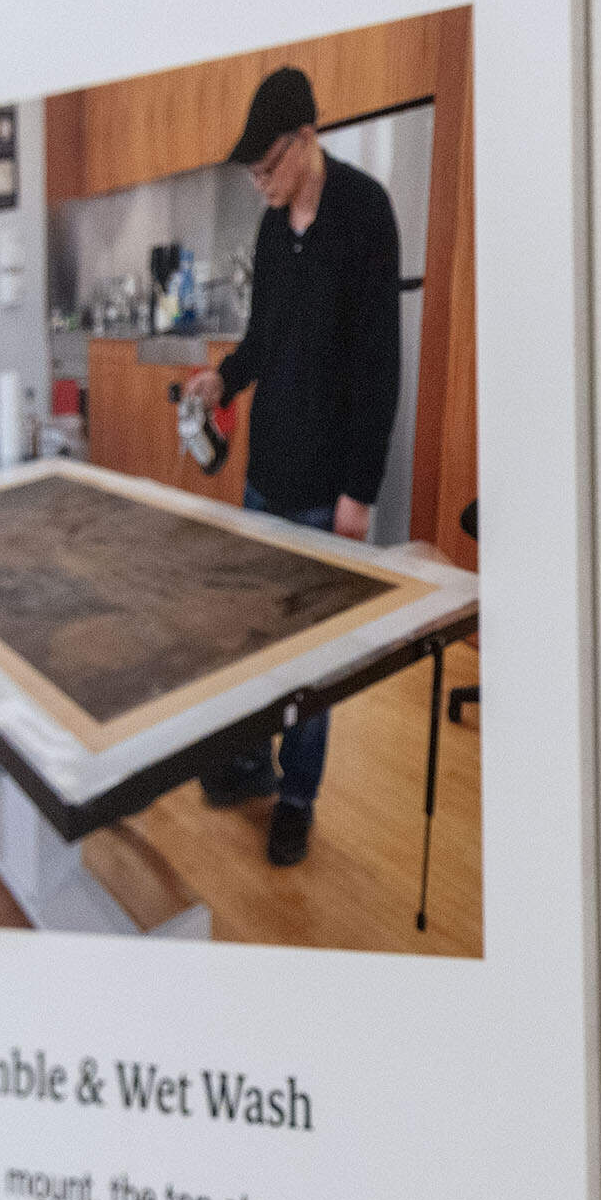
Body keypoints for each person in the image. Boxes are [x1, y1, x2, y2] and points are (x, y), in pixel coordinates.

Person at [183, 67, 404, 867]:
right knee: (255, 636)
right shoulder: (273, 232)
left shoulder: (364, 212)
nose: (261, 184)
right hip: (266, 470)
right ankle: (249, 762)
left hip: (326, 487)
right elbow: (262, 340)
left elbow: (380, 365)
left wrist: (360, 492)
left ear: (307, 139)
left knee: (313, 657)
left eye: (267, 168)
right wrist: (224, 377)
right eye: (252, 174)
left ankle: (297, 796)